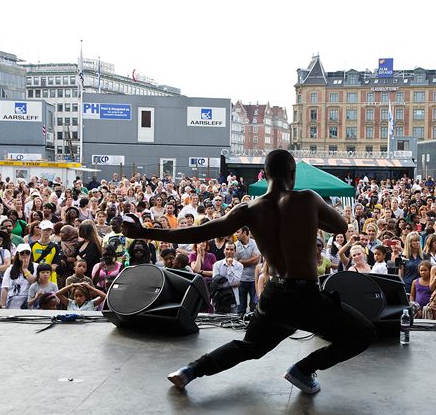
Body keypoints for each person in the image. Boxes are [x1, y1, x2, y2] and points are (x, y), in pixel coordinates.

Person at [122, 149, 375, 394]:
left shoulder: (249, 210)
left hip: (275, 294)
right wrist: (308, 217)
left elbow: (200, 232)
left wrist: (145, 232)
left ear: (264, 174)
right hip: (306, 297)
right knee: (363, 333)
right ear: (293, 173)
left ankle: (189, 370)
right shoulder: (307, 199)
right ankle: (303, 369)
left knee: (249, 346)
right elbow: (341, 225)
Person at [0, 243, 37, 309]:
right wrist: (2, 306)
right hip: (12, 301)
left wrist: (25, 269)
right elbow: (5, 288)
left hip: (28, 301)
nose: (25, 255)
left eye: (27, 253)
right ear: (18, 254)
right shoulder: (10, 269)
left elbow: (34, 283)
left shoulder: (36, 267)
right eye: (22, 253)